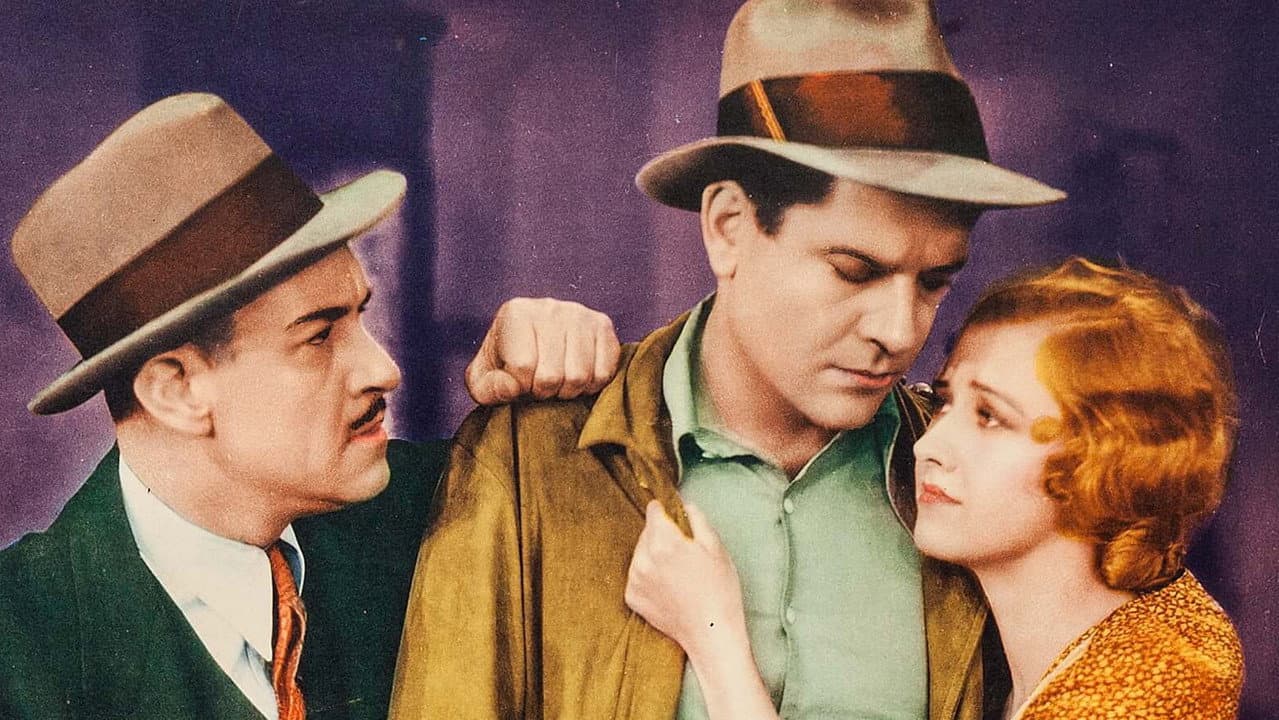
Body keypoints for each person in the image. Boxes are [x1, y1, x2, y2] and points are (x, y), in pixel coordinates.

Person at [388, 2, 1064, 719]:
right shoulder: (532, 458)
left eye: (934, 282)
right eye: (854, 271)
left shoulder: (966, 483)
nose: (900, 333)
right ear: (728, 227)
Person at [0, 92, 620, 720]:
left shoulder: (445, 510)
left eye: (360, 316)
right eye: (318, 337)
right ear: (176, 390)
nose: (384, 370)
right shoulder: (20, 649)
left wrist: (555, 363)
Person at [625, 258, 1244, 719]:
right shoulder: (1077, 642)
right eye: (946, 401)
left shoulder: (1159, 680)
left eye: (990, 417)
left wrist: (716, 643)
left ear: (1112, 460)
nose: (928, 444)